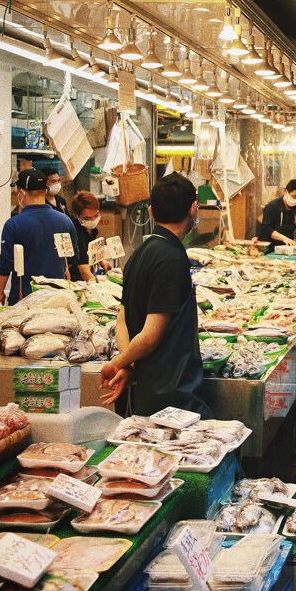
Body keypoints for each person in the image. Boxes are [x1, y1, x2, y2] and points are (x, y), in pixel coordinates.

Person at [100, 173, 210, 417]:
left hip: (146, 390)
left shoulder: (140, 253)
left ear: (150, 211)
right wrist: (118, 364)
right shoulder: (171, 259)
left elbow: (122, 320)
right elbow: (150, 336)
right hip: (170, 396)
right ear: (193, 209)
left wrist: (128, 363)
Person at [0, 169, 80, 306]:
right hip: (58, 299)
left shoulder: (13, 224)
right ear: (45, 191)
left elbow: (5, 264)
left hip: (23, 300)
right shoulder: (65, 221)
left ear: (22, 193)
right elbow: (73, 258)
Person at [257, 179, 296, 247]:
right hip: (269, 248)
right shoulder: (272, 206)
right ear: (286, 192)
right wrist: (284, 239)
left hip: (286, 249)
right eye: (294, 196)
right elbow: (266, 229)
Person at [69, 190, 105, 282]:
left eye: (96, 215)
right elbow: (84, 271)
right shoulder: (76, 233)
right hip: (76, 280)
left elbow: (92, 248)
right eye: (87, 218)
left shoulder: (90, 227)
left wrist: (102, 261)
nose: (93, 220)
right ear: (76, 216)